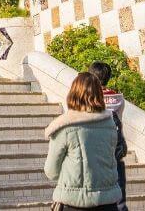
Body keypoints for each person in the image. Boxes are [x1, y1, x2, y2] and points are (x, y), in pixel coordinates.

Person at [43, 73, 124, 211]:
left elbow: (51, 172)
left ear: (73, 94)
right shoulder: (110, 123)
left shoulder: (65, 127)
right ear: (99, 94)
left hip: (74, 203)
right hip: (108, 202)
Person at [88, 62, 128, 210]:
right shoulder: (119, 99)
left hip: (95, 153)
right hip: (114, 150)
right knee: (120, 200)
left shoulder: (89, 99)